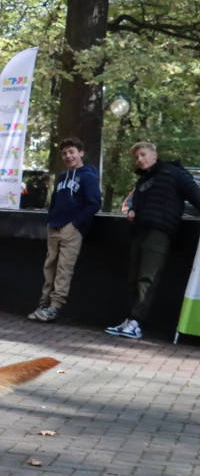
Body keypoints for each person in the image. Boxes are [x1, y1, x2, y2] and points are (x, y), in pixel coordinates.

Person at [106, 142, 200, 339]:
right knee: (133, 277)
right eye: (137, 157)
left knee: (147, 277)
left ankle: (136, 322)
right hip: (140, 229)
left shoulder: (174, 173)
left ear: (154, 155)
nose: (139, 160)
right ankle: (130, 319)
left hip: (161, 230)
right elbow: (134, 203)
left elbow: (195, 194)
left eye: (143, 155)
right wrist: (132, 210)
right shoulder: (142, 182)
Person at [27, 137, 102, 322]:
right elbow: (54, 201)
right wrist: (50, 220)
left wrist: (75, 225)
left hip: (71, 230)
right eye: (65, 153)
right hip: (54, 227)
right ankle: (43, 303)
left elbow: (94, 203)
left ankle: (55, 307)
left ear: (81, 153)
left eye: (72, 152)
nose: (68, 156)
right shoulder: (62, 177)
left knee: (64, 268)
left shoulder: (88, 176)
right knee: (49, 266)